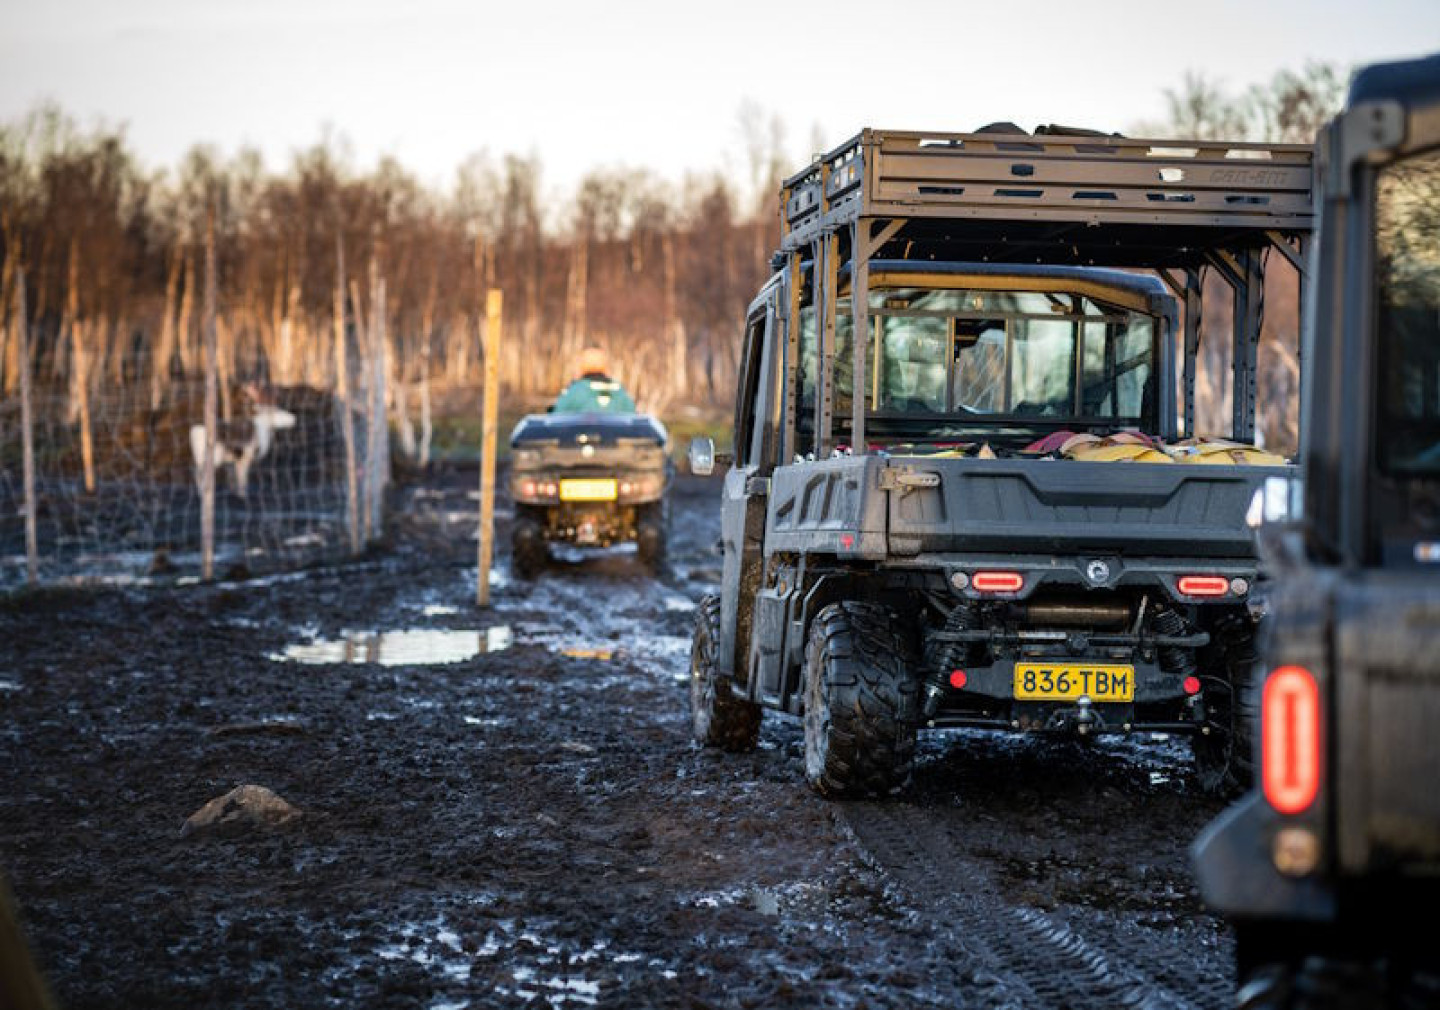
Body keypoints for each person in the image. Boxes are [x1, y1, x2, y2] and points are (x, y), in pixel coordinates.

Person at [551, 347, 637, 414]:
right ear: (605, 367)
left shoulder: (573, 393)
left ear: (581, 367)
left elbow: (556, 421)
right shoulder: (621, 393)